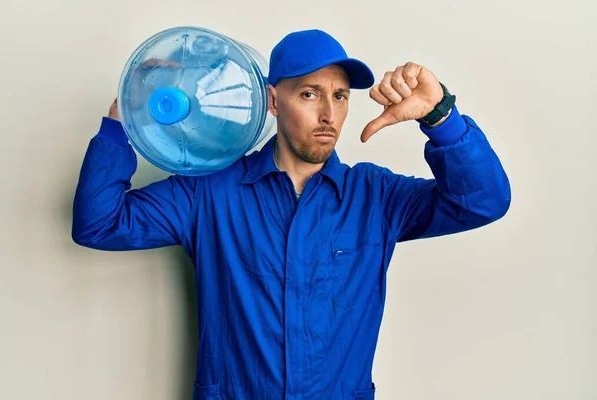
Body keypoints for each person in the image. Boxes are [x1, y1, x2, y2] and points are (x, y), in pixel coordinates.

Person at [72, 29, 511, 400]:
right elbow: (99, 223)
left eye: (339, 96)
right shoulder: (210, 193)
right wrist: (123, 118)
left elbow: (482, 202)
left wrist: (441, 119)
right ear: (274, 101)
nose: (328, 114)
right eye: (309, 94)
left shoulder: (376, 196)